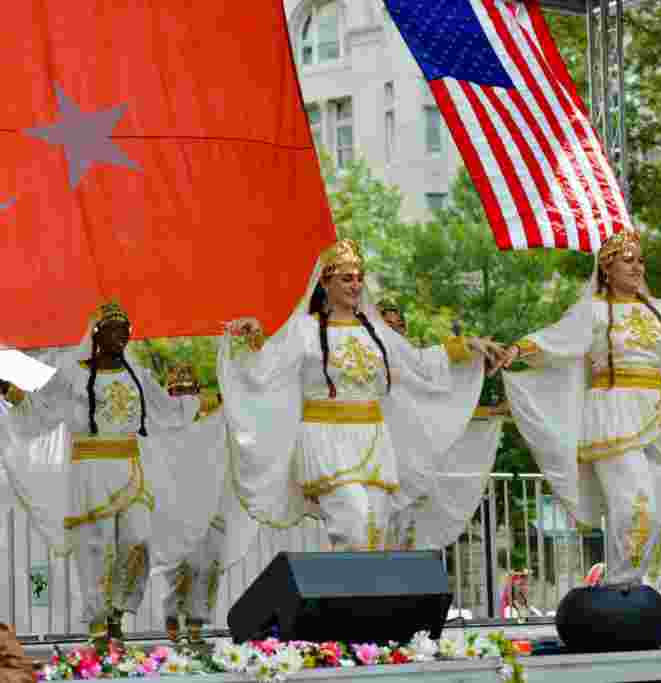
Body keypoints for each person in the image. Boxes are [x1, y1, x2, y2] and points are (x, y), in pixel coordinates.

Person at [496, 230, 661, 587]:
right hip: (613, 413)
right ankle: (620, 587)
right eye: (628, 260)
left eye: (640, 261)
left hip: (658, 414)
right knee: (635, 502)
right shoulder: (593, 311)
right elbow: (556, 338)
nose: (638, 267)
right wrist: (518, 350)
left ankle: (636, 589)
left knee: (656, 510)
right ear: (607, 269)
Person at [217, 239, 503, 562]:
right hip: (326, 440)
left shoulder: (375, 330)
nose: (355, 285)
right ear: (325, 283)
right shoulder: (304, 330)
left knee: (376, 529)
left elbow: (419, 362)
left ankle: (356, 595)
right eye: (346, 278)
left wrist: (468, 346)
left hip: (373, 440)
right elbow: (265, 370)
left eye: (358, 278)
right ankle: (346, 593)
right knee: (353, 523)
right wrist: (253, 337)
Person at [0, 302, 227, 644]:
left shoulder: (137, 374)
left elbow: (167, 410)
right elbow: (42, 409)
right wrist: (10, 391)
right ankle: (98, 626)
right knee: (96, 547)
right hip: (90, 471)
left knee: (139, 540)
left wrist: (218, 399)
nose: (122, 336)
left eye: (126, 330)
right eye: (114, 330)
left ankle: (118, 610)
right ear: (97, 334)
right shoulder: (73, 373)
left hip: (131, 469)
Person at [376, 299, 505, 551]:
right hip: (364, 455)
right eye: (387, 326)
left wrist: (470, 347)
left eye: (399, 326)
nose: (394, 332)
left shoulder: (411, 366)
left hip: (406, 466)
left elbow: (440, 403)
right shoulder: (358, 356)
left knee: (404, 539)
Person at [159, 364, 226, 645]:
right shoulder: (159, 425)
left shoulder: (212, 421)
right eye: (177, 392)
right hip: (174, 503)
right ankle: (172, 612)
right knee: (180, 564)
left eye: (189, 391)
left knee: (206, 563)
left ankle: (196, 623)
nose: (184, 397)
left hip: (208, 498)